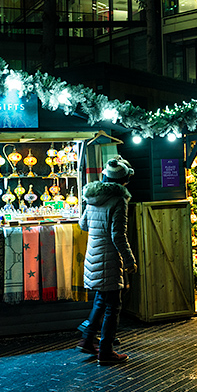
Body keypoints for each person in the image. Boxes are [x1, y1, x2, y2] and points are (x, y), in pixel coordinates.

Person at [77, 156, 137, 365]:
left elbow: (83, 225)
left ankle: (87, 340)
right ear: (124, 180)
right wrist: (129, 261)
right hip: (109, 257)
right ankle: (106, 351)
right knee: (113, 305)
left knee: (102, 300)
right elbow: (118, 235)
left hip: (93, 253)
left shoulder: (93, 197)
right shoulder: (119, 200)